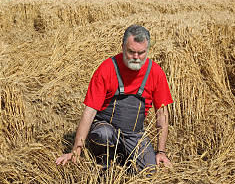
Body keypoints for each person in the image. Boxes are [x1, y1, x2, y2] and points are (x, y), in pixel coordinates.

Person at [55, 25, 173, 172]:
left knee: (149, 170)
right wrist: (75, 151)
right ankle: (104, 162)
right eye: (131, 52)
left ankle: (124, 156)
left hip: (134, 135)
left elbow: (162, 115)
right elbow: (89, 112)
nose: (136, 57)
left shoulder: (155, 72)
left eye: (141, 53)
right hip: (106, 128)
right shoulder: (106, 69)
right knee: (103, 135)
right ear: (122, 47)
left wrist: (161, 152)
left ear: (148, 49)